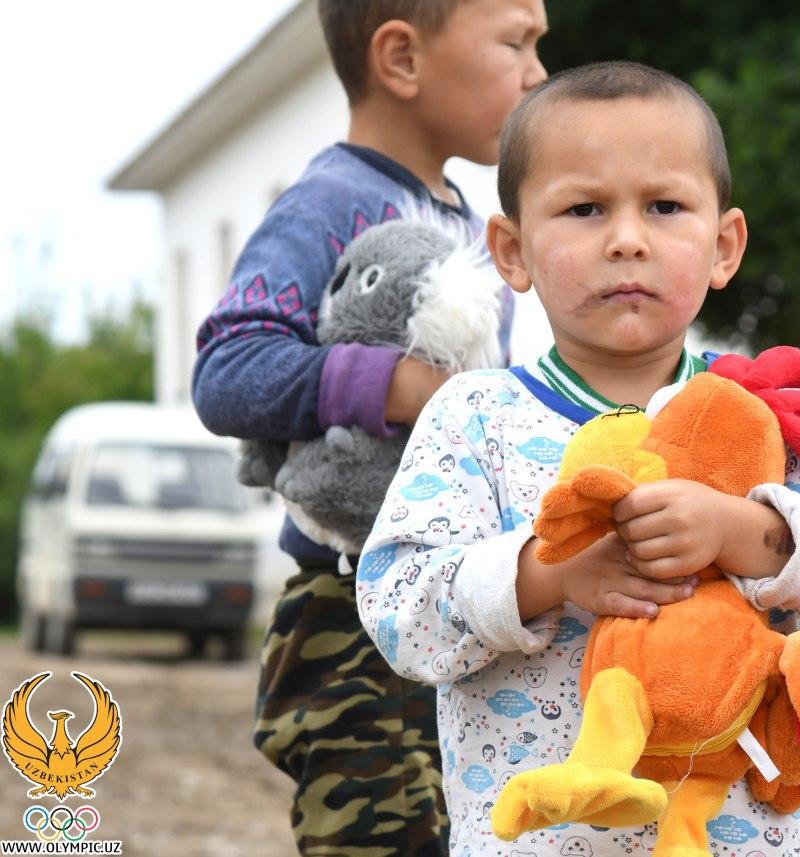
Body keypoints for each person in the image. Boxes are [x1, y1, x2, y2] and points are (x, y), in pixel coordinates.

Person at [356, 61, 800, 856]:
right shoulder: (475, 416)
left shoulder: (767, 414)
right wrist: (548, 573)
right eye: (584, 209)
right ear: (512, 250)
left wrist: (747, 532)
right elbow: (396, 609)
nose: (627, 239)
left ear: (724, 245)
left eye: (664, 206)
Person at [190, 1, 547, 853]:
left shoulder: (466, 219)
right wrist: (395, 385)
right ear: (402, 59)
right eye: (516, 42)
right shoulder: (327, 204)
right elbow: (227, 368)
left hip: (452, 603)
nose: (539, 74)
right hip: (347, 615)